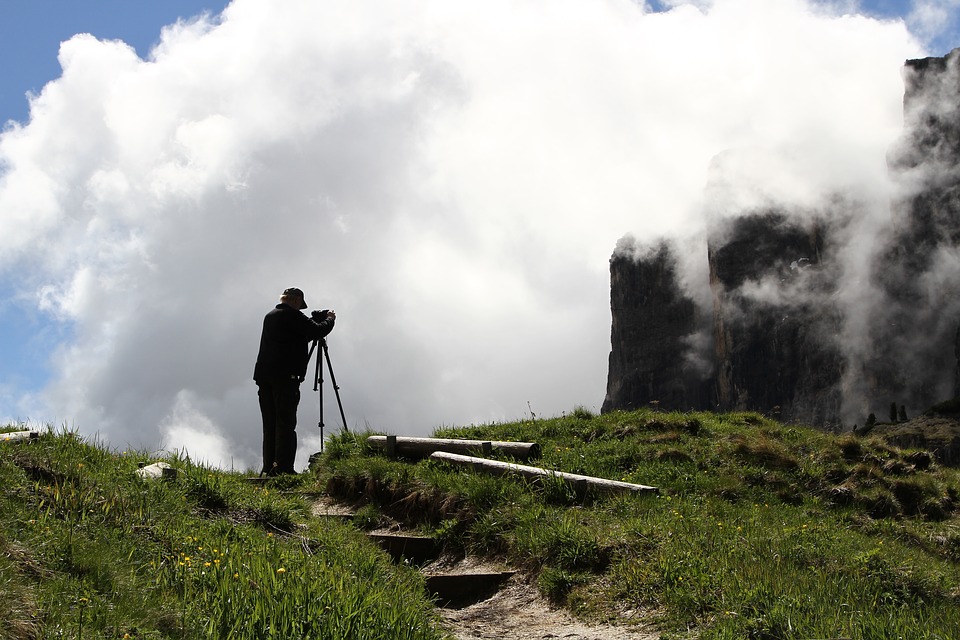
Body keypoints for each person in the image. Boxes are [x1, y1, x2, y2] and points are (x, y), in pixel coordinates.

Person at [254, 287, 336, 476]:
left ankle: (269, 468)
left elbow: (299, 336)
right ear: (297, 301)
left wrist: (312, 321)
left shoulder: (271, 316)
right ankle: (284, 469)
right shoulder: (292, 316)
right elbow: (317, 331)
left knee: (270, 423)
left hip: (264, 377)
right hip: (285, 378)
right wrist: (330, 319)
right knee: (285, 423)